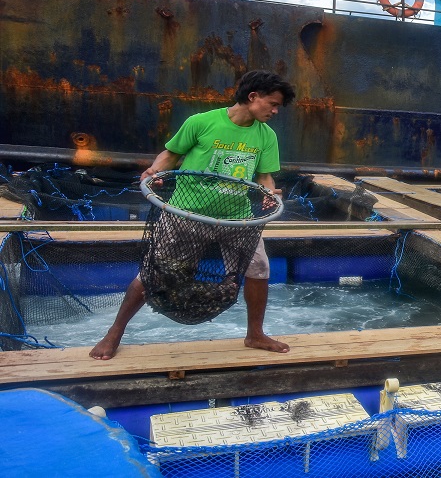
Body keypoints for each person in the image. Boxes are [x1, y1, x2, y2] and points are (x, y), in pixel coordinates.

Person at [91, 70, 296, 360]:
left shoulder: (267, 136)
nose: (275, 111)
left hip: (237, 219)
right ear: (253, 97)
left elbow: (264, 177)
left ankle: (255, 335)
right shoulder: (201, 122)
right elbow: (170, 155)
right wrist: (154, 171)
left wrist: (268, 194)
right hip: (186, 214)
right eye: (273, 104)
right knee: (153, 273)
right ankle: (114, 333)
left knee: (259, 269)